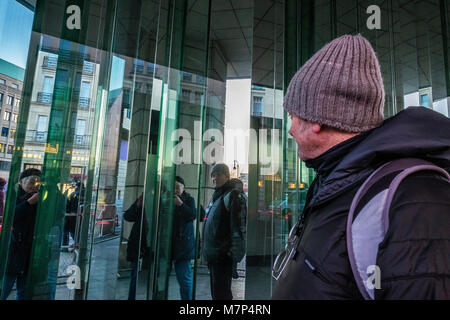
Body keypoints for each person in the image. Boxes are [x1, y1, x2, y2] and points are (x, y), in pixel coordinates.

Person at [272, 34, 450, 299]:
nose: (290, 129)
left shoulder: (414, 197)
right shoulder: (336, 180)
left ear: (314, 119)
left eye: (292, 116)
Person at [202, 164, 247, 300]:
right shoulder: (217, 195)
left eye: (219, 174)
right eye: (213, 175)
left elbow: (239, 227)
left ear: (227, 176)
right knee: (217, 294)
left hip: (222, 256)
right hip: (214, 255)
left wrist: (234, 256)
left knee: (222, 295)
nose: (215, 178)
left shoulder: (232, 195)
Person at [1, 168, 41, 300]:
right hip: (13, 250)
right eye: (32, 182)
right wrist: (28, 203)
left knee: (23, 291)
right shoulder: (13, 196)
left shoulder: (41, 199)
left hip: (29, 251)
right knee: (5, 286)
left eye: (38, 183)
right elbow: (11, 217)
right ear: (21, 183)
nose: (35, 186)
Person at [171, 176, 196, 300]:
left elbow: (192, 215)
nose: (175, 190)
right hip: (169, 245)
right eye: (173, 187)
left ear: (183, 188)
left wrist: (181, 205)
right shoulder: (167, 199)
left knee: (184, 279)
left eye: (177, 187)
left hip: (183, 247)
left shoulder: (189, 200)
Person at [123, 192, 148, 300]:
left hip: (151, 245)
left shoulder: (164, 203)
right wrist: (138, 203)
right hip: (138, 243)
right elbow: (128, 216)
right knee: (135, 275)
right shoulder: (142, 203)